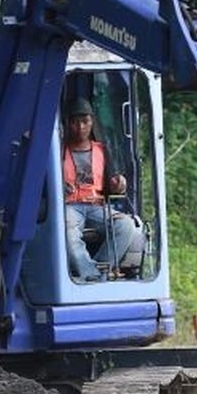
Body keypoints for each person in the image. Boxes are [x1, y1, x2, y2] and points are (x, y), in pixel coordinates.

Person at [61, 97, 140, 282]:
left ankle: (95, 272)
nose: (80, 127)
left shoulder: (102, 150)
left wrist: (119, 183)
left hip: (97, 206)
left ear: (92, 122)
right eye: (75, 122)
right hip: (69, 206)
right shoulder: (58, 150)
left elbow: (114, 183)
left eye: (85, 121)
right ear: (67, 123)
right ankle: (93, 275)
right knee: (66, 228)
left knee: (126, 225)